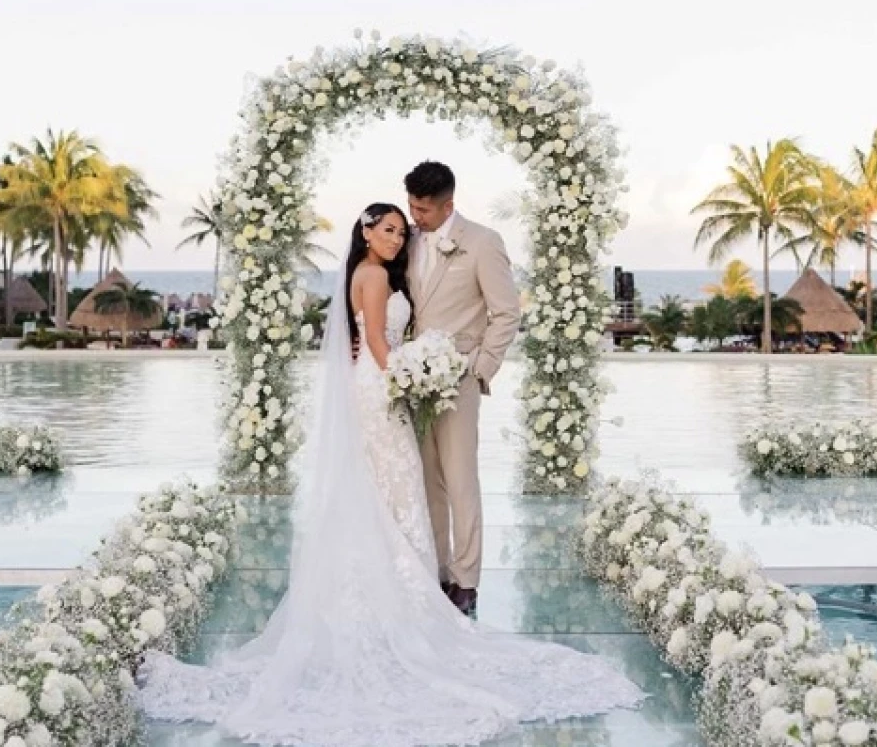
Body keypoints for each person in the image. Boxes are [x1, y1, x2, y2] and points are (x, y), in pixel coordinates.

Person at [137, 202, 643, 747]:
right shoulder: (373, 275)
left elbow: (377, 339)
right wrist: (407, 377)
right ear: (366, 231)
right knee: (395, 490)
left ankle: (393, 589)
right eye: (388, 230)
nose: (398, 239)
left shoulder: (375, 271)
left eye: (402, 231)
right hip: (382, 391)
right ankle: (397, 597)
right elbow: (379, 341)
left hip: (381, 387)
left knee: (385, 492)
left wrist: (407, 370)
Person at [405, 161, 521, 615]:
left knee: (460, 482)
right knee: (425, 484)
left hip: (459, 382)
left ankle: (467, 580)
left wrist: (479, 368)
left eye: (424, 210)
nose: (416, 217)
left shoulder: (483, 242)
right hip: (412, 382)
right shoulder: (408, 239)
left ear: (448, 204)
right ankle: (437, 572)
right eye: (412, 206)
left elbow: (506, 312)